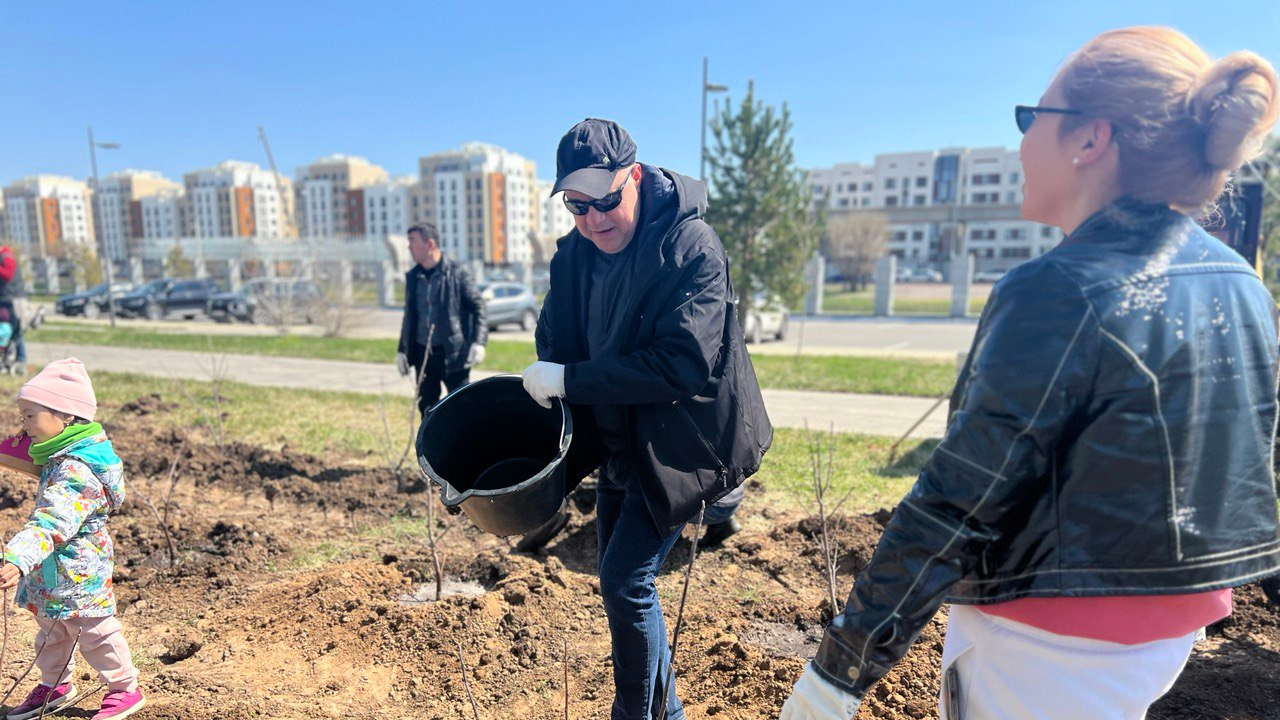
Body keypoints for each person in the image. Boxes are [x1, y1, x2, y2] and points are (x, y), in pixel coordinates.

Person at [781, 27, 1280, 720]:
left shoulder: (1058, 288)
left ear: (1089, 140)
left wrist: (836, 677)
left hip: (1046, 642)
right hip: (1169, 627)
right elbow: (1249, 463)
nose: (1020, 142)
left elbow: (961, 497)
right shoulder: (1241, 282)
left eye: (1031, 119)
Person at [520, 118, 772, 719]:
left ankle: (634, 713)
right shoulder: (576, 256)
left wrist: (572, 379)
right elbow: (557, 333)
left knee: (626, 583)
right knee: (623, 585)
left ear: (632, 176)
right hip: (617, 442)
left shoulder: (690, 247)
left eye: (605, 201)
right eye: (577, 207)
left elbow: (681, 365)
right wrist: (548, 367)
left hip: (681, 443)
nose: (594, 220)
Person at [0, 358, 145, 720]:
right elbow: (25, 456)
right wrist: (18, 445)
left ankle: (125, 689)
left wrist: (18, 558)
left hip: (81, 570)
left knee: (96, 632)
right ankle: (56, 685)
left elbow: (51, 522)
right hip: (53, 574)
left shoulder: (76, 471)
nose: (24, 424)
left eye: (30, 415)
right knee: (51, 632)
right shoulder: (60, 454)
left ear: (64, 415)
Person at [395, 224, 487, 417]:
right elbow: (409, 315)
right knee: (427, 410)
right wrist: (402, 350)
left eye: (413, 241)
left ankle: (464, 448)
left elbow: (479, 306)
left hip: (453, 355)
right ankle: (431, 447)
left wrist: (479, 343)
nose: (409, 247)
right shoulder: (413, 277)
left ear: (429, 244)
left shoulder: (456, 273)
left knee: (462, 409)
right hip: (423, 355)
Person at [0, 245, 29, 374]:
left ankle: (21, 359)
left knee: (16, 331)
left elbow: (7, 274)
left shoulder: (6, 257)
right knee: (8, 331)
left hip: (14, 300)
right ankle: (10, 358)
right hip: (7, 299)